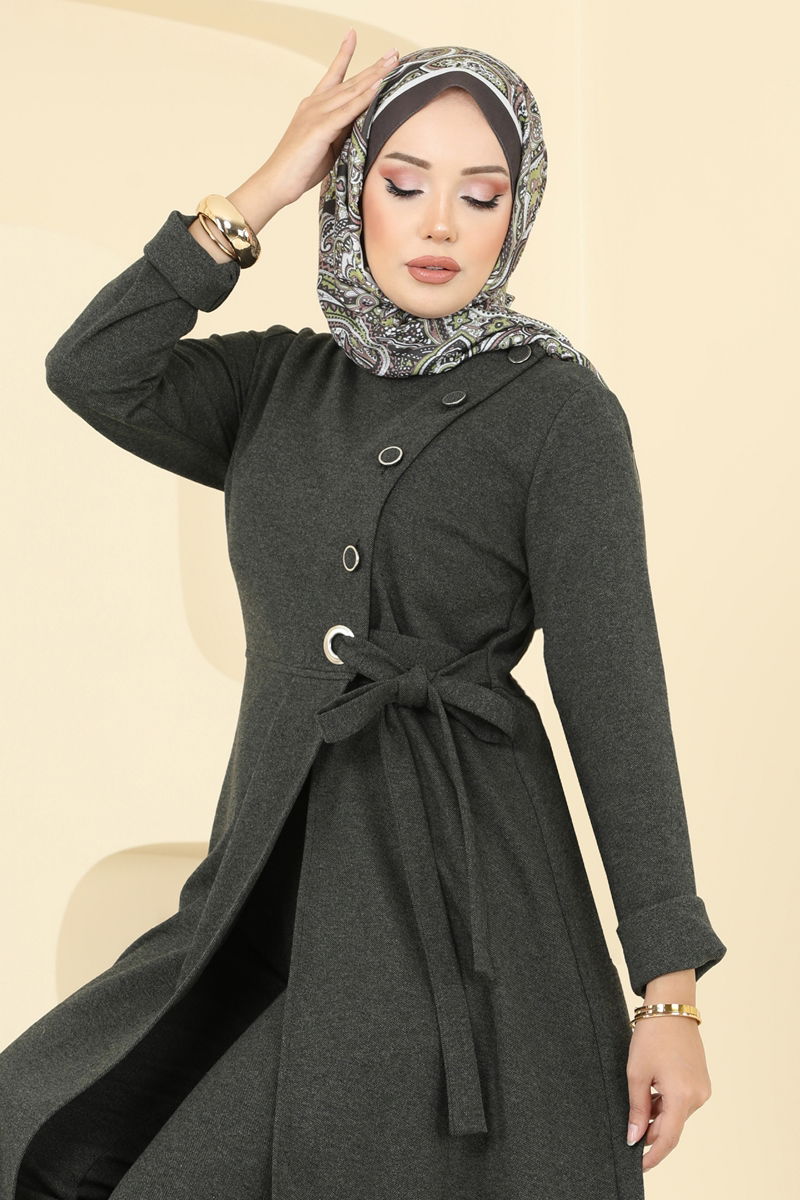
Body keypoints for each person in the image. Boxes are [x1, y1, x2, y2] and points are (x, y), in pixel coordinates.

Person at [1, 31, 726, 1200]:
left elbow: (615, 699)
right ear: (348, 192)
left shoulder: (558, 412)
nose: (439, 224)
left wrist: (668, 992)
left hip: (464, 904)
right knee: (61, 1133)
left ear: (516, 213)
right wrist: (258, 192)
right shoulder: (273, 385)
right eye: (400, 183)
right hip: (264, 889)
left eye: (479, 195)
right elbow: (95, 365)